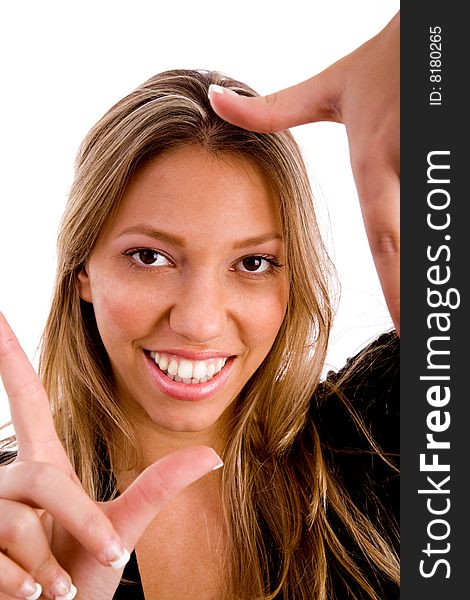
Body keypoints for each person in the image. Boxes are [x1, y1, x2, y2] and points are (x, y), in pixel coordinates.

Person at [0, 11, 399, 600]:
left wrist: (431, 49)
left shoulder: (387, 441)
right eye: (151, 257)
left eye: (254, 263)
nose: (200, 321)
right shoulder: (10, 523)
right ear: (83, 267)